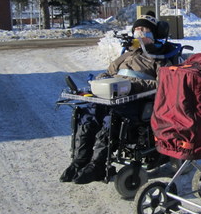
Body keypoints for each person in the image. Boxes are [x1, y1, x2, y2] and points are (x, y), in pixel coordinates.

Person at [60, 12, 176, 184]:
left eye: (143, 29)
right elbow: (109, 71)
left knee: (110, 118)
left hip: (137, 101)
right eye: (136, 29)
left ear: (153, 33)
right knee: (86, 113)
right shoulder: (129, 53)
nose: (139, 33)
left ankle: (98, 165)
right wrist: (101, 80)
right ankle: (80, 161)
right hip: (113, 96)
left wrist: (130, 85)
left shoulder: (160, 58)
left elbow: (163, 85)